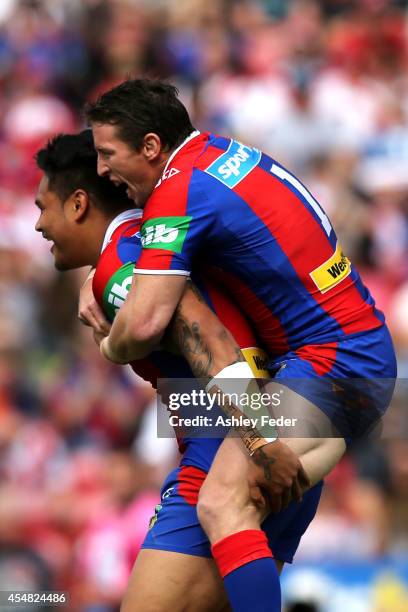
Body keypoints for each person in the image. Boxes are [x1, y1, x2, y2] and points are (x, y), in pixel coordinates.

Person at [82, 78, 397, 610]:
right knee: (234, 515)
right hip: (351, 352)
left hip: (333, 360)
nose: (102, 171)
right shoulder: (225, 152)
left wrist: (108, 342)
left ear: (152, 147)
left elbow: (145, 321)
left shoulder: (177, 190)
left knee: (223, 500)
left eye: (109, 154)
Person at [35, 131, 332, 612]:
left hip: (228, 446)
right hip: (281, 423)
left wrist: (257, 441)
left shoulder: (124, 261)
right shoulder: (160, 236)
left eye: (43, 207)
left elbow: (207, 335)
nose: (38, 226)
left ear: (78, 204)